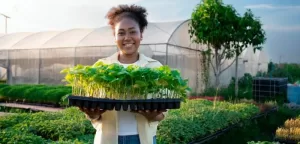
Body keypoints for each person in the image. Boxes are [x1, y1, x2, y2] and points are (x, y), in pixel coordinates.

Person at [80, 4, 167, 144]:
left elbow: (162, 113)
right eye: (121, 33)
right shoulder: (100, 67)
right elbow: (92, 110)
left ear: (141, 35)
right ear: (114, 37)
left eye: (132, 32)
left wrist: (152, 116)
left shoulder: (155, 67)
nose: (127, 38)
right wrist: (92, 115)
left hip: (143, 140)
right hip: (107, 140)